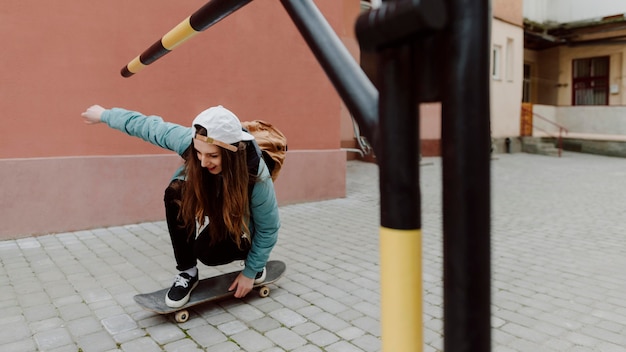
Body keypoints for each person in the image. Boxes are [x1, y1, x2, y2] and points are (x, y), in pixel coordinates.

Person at [81, 104, 280, 307]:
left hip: (235, 218)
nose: (203, 162)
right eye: (199, 153)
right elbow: (146, 126)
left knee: (207, 253)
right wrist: (105, 115)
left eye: (213, 156)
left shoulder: (256, 175)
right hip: (209, 196)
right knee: (176, 192)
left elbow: (269, 227)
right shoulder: (190, 140)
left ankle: (253, 260)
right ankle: (187, 272)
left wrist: (250, 272)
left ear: (231, 154)